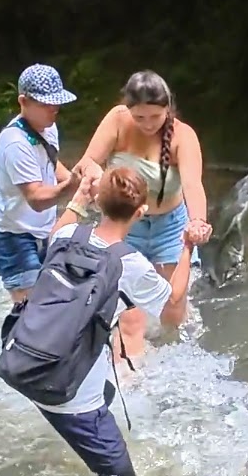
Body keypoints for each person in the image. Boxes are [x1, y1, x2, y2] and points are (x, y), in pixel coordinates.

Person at [22, 166, 191, 476]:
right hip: (72, 396)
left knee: (109, 389)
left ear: (98, 203)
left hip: (27, 364)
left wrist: (80, 198)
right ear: (140, 212)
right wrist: (187, 247)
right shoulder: (131, 264)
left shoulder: (66, 235)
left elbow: (54, 236)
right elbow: (174, 307)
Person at [76, 70, 211, 357]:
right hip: (124, 223)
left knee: (172, 315)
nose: (147, 124)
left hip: (170, 225)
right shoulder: (117, 119)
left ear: (167, 108)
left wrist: (198, 222)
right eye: (139, 118)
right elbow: (87, 161)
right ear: (128, 109)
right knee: (123, 305)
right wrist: (94, 173)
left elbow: (192, 184)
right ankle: (126, 361)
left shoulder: (182, 136)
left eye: (155, 117)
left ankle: (172, 362)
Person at [0, 63, 84, 301]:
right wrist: (72, 187)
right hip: (11, 237)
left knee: (48, 302)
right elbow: (36, 199)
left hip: (40, 232)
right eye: (45, 104)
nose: (54, 109)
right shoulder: (15, 143)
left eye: (56, 102)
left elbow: (51, 161)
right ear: (23, 102)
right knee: (29, 311)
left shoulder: (48, 128)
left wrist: (77, 180)